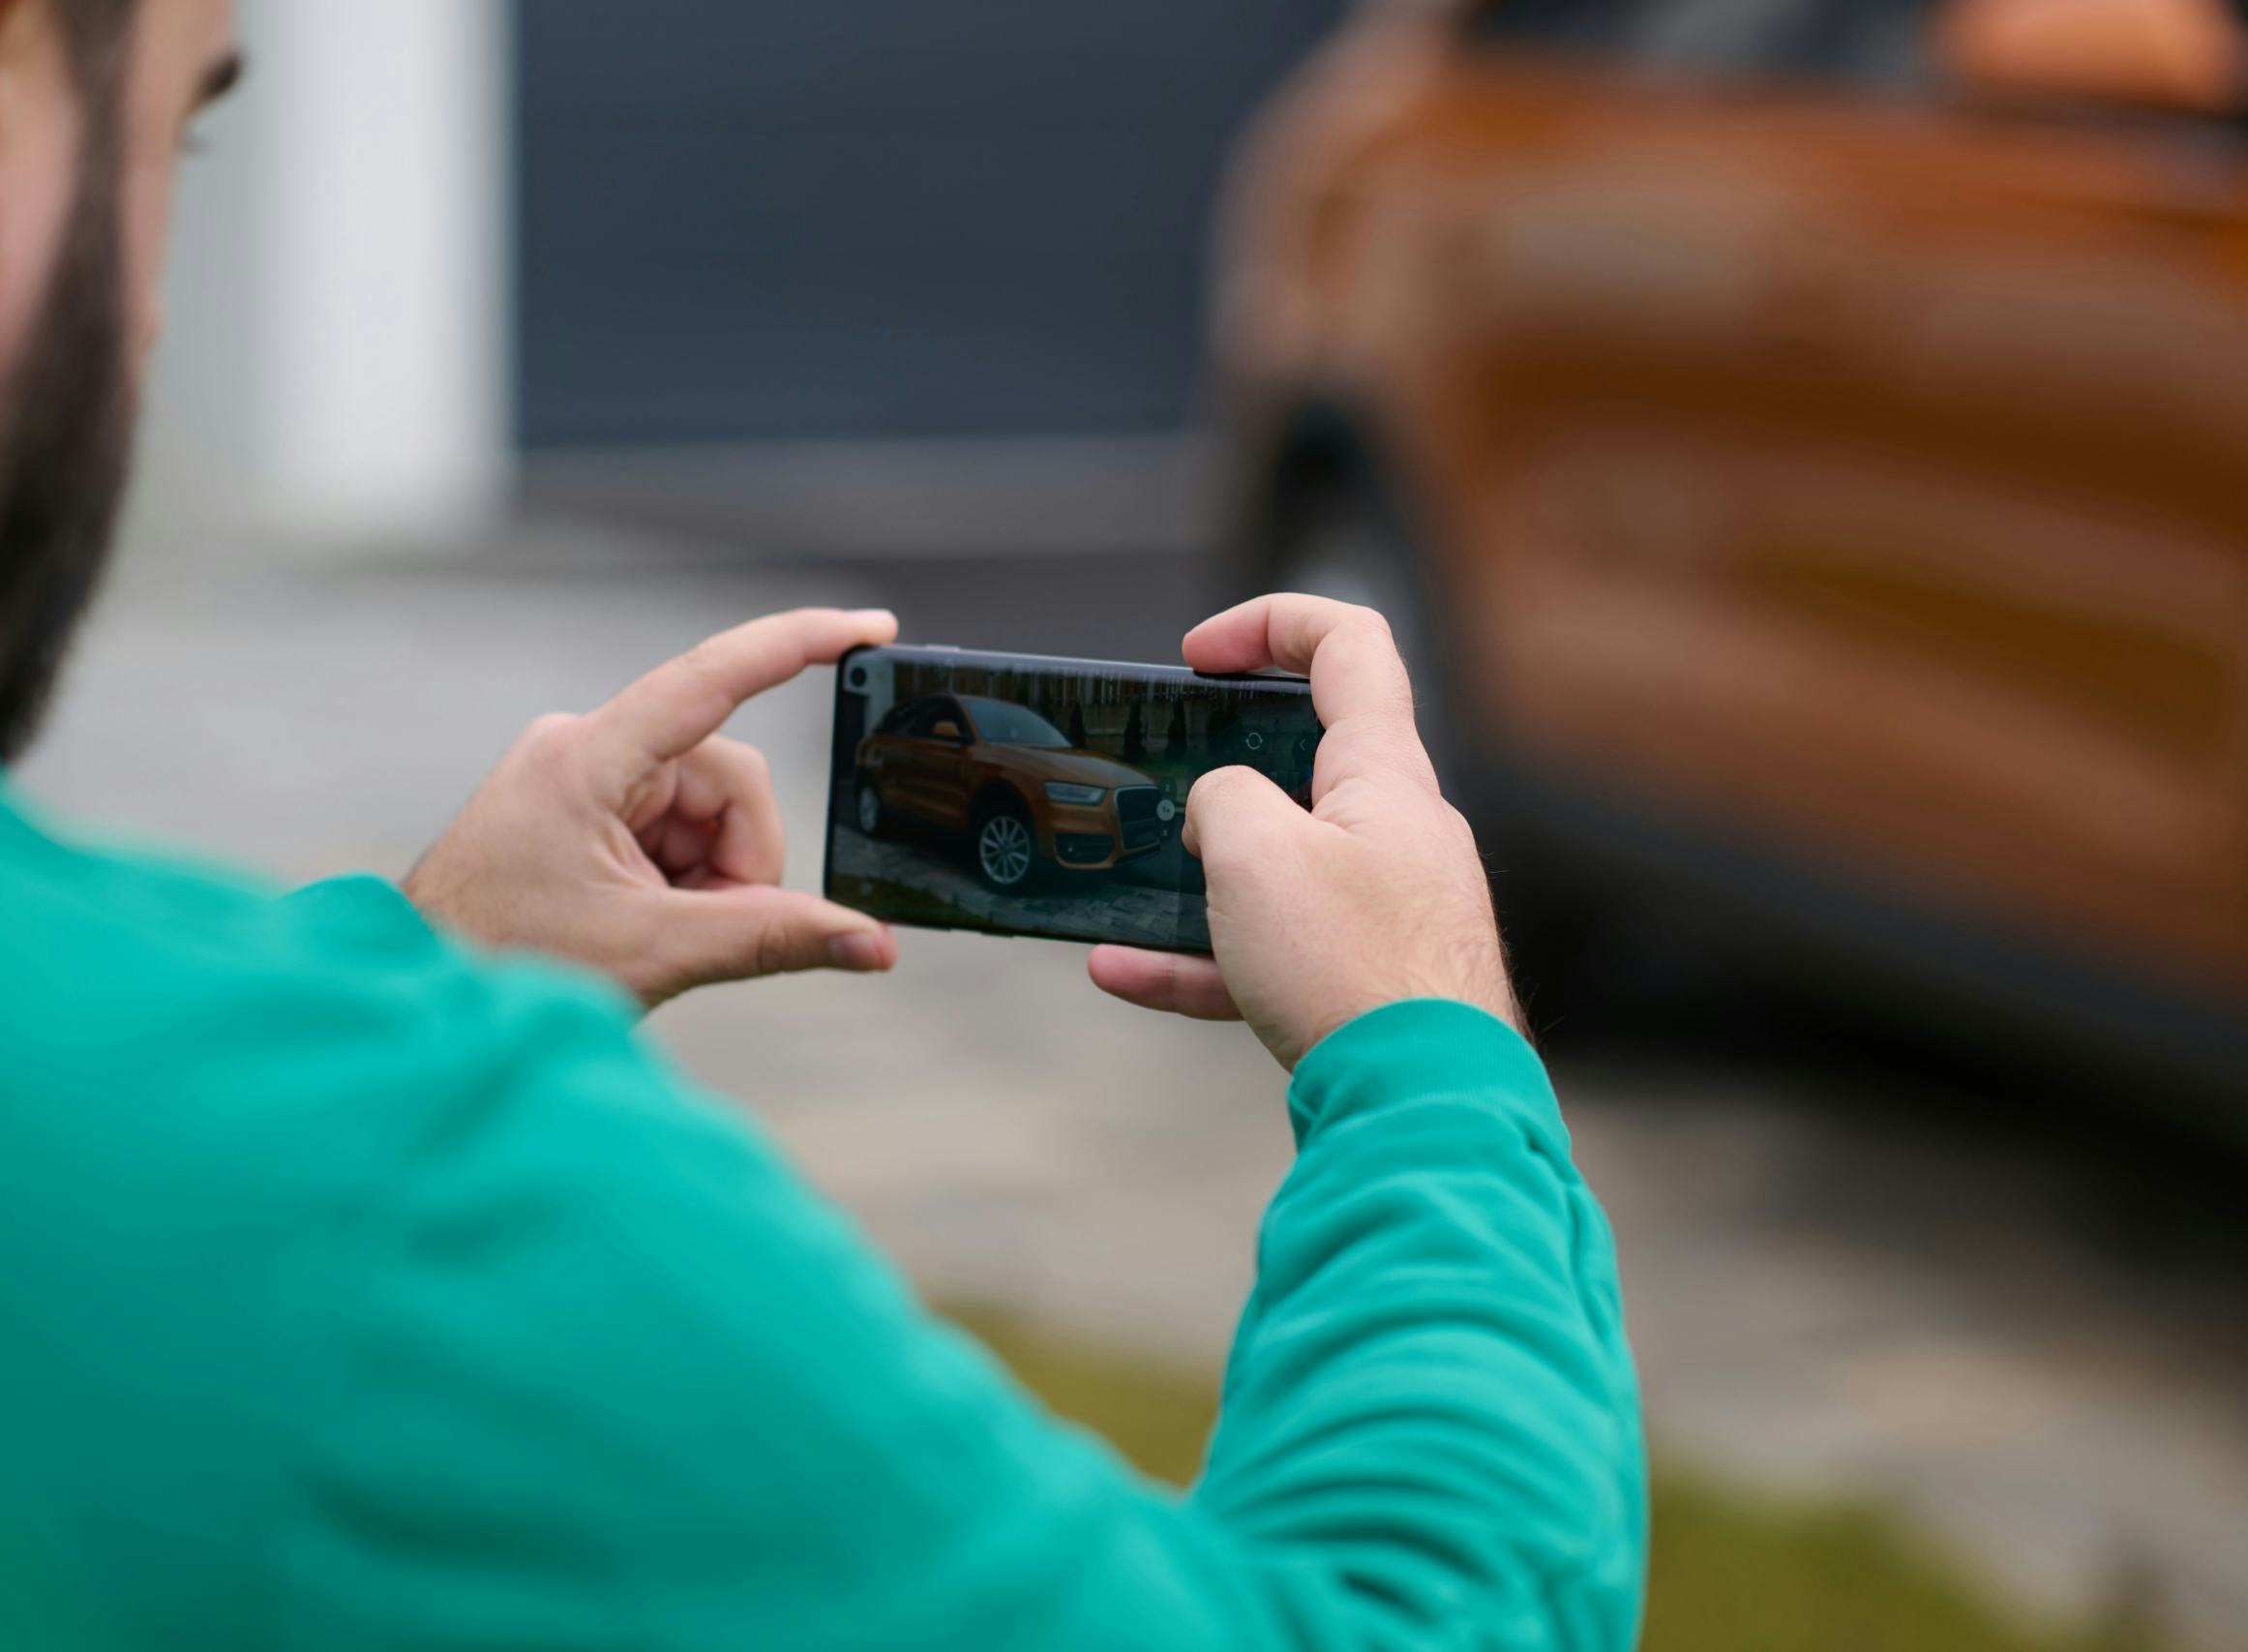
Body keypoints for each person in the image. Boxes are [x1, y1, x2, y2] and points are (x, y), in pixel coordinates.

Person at [0, 1, 1648, 1647]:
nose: (148, 319)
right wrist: (1428, 1048)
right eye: (173, 142)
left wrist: (410, 964)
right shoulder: (429, 1209)